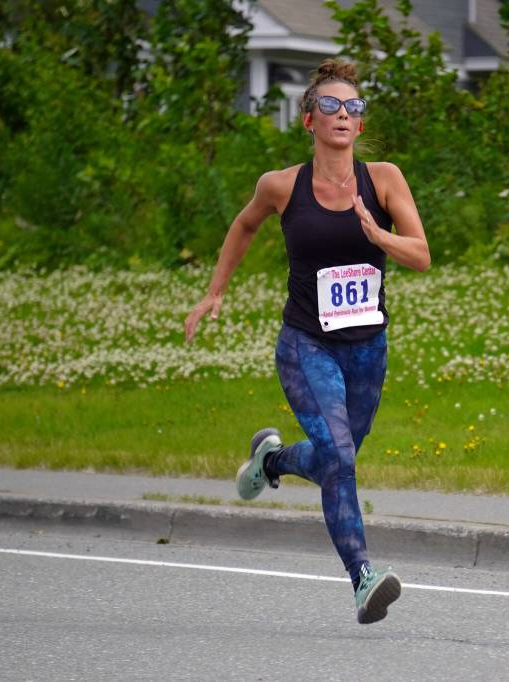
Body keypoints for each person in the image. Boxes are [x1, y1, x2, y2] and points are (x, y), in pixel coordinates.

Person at [184, 59, 430, 625]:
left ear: (361, 125)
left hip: (368, 347)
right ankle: (362, 578)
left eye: (354, 107)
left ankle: (271, 460)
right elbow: (244, 226)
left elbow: (421, 254)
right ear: (308, 118)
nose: (343, 114)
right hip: (306, 344)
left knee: (334, 459)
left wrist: (379, 236)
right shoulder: (281, 186)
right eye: (330, 105)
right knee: (341, 459)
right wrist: (214, 291)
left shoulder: (385, 179)